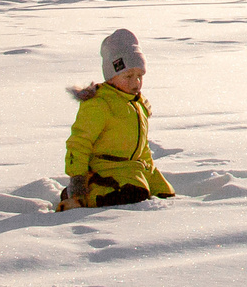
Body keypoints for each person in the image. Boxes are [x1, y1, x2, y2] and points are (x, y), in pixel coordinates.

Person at [63, 29, 177, 210]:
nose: (136, 83)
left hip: (136, 168)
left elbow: (142, 145)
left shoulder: (138, 104)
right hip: (107, 168)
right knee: (134, 194)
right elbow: (79, 142)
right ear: (111, 76)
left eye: (140, 76)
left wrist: (149, 168)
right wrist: (77, 178)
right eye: (128, 76)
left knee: (166, 193)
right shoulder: (100, 104)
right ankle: (85, 198)